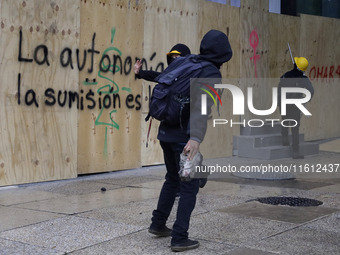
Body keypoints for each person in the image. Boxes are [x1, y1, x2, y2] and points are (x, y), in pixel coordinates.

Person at [148, 30, 232, 252]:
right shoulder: (211, 72)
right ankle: (179, 238)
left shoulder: (186, 61)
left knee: (172, 179)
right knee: (189, 185)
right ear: (224, 54)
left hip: (165, 131)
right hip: (183, 138)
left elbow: (161, 81)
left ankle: (157, 224)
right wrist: (195, 138)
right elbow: (202, 107)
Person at [278, 57, 314, 159]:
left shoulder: (286, 75)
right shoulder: (304, 79)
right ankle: (295, 152)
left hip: (284, 103)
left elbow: (280, 85)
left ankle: (284, 138)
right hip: (295, 105)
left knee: (285, 120)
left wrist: (279, 102)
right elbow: (311, 91)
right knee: (295, 128)